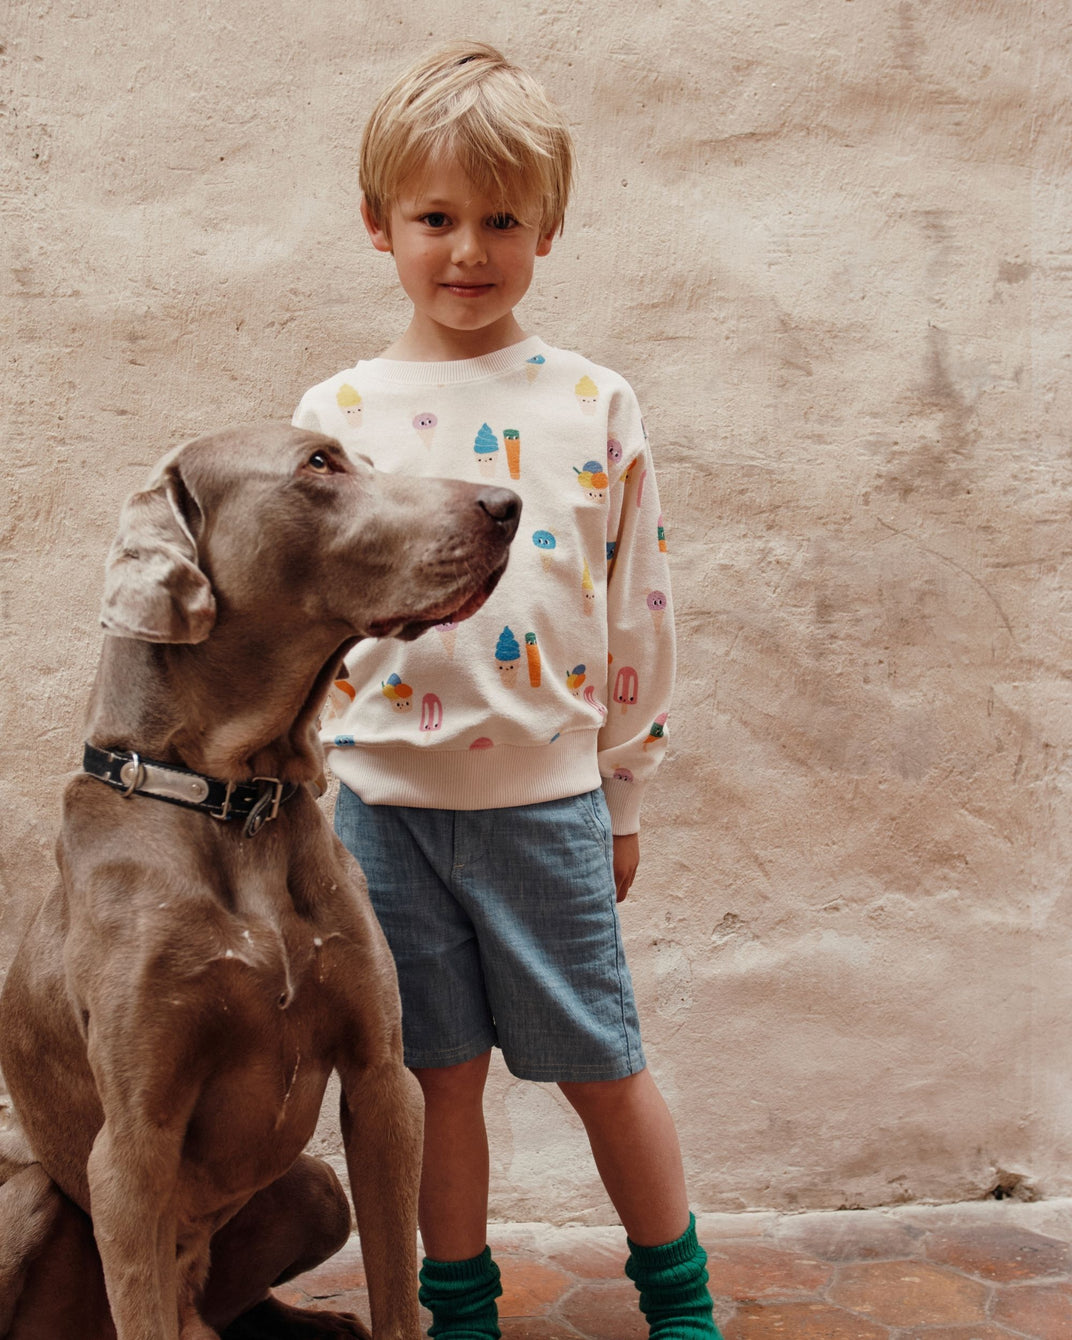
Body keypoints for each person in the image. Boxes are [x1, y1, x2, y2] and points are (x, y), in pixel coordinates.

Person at [293, 42, 721, 1340]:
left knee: (604, 1066)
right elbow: (303, 613)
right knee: (436, 1079)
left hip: (543, 806)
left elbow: (637, 599)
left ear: (546, 229)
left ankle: (682, 1301)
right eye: (434, 217)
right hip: (378, 811)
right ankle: (458, 1307)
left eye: (500, 220)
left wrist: (623, 792)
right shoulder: (339, 411)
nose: (467, 248)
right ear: (379, 225)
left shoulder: (591, 401)